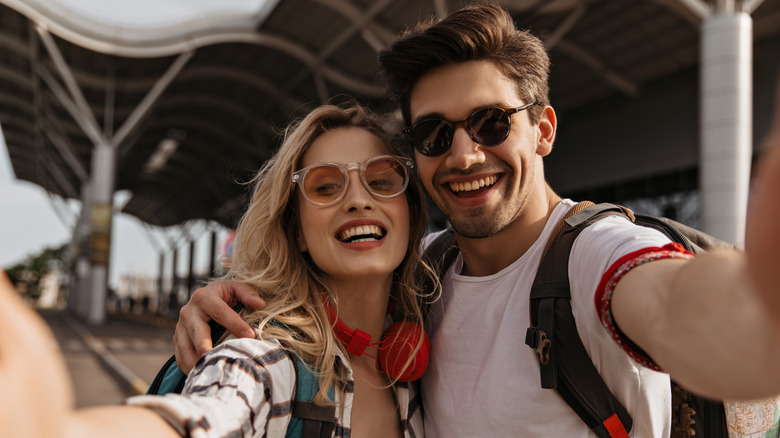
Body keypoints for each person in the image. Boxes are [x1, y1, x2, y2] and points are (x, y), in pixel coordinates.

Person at [173, 3, 780, 437]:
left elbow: (680, 304)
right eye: (435, 134)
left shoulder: (596, 256)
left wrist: (757, 316)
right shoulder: (423, 273)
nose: (464, 155)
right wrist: (231, 299)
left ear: (542, 130)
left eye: (492, 123)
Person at [0, 102, 434, 437]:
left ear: (411, 212)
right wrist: (52, 427)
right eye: (326, 186)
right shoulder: (262, 360)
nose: (359, 199)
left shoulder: (414, 358)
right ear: (297, 230)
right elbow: (204, 417)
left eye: (381, 181)